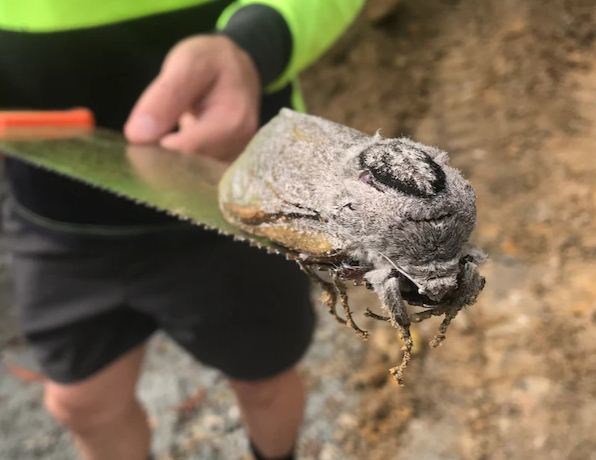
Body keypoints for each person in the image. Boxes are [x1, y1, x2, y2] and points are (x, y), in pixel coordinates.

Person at [0, 1, 364, 459]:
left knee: (265, 382)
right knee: (84, 405)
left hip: (233, 199)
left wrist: (253, 44)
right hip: (55, 220)